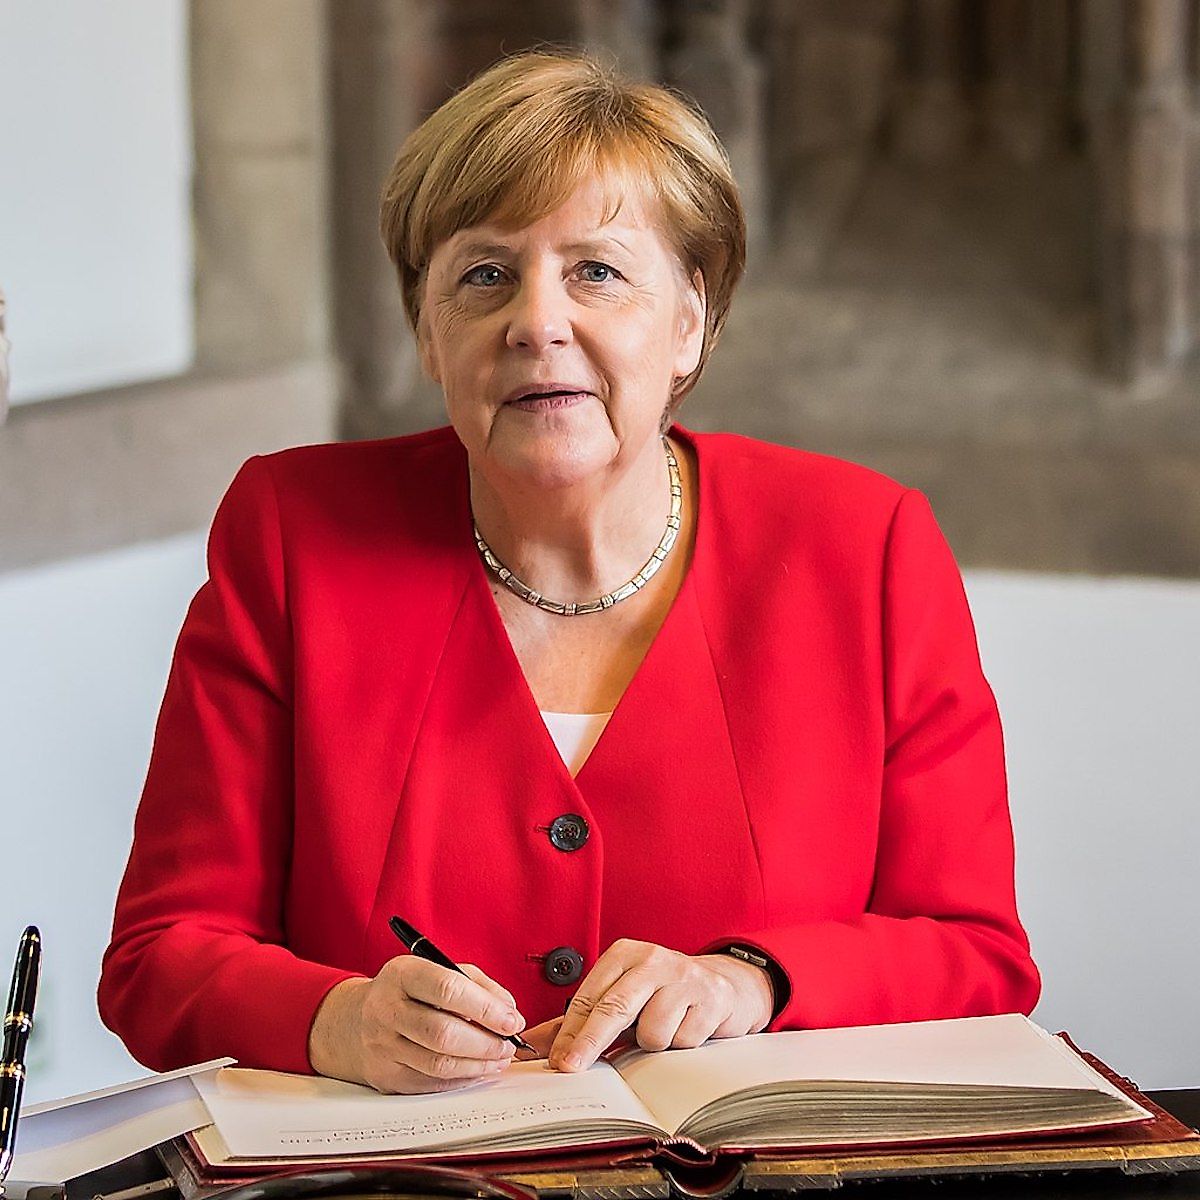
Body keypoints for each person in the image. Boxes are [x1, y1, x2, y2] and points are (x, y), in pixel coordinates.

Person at [99, 50, 1039, 1096]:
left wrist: (757, 980)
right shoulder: (292, 535)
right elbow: (162, 954)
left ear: (692, 318)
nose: (537, 322)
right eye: (484, 274)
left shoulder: (866, 549)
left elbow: (977, 951)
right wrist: (338, 1019)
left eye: (596, 270)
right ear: (427, 331)